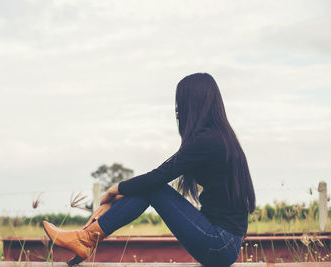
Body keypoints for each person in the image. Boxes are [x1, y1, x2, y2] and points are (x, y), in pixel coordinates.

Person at [43, 72, 256, 267]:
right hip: (222, 242)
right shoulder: (219, 138)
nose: (177, 109)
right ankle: (86, 238)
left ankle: (86, 239)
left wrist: (114, 189)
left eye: (180, 102)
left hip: (220, 243)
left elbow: (159, 177)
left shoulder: (208, 141)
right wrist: (117, 200)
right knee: (152, 187)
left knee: (154, 188)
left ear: (194, 103)